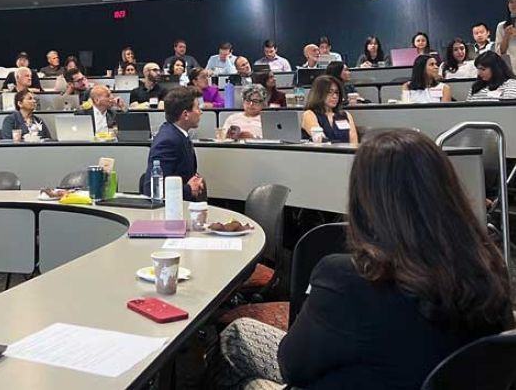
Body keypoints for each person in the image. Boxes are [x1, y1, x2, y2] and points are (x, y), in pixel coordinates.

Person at [215, 129, 513, 390]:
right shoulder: (489, 268)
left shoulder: (346, 277)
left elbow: (292, 366)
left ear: (364, 198)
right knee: (241, 331)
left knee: (242, 364)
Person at [142, 87, 205, 201]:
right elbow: (153, 189)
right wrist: (188, 189)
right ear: (185, 114)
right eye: (197, 108)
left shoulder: (179, 134)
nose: (200, 112)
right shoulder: (168, 141)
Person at [301, 75, 358, 144]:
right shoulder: (309, 114)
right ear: (319, 93)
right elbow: (321, 141)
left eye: (336, 93)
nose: (335, 96)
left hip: (347, 153)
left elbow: (354, 143)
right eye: (330, 92)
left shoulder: (346, 115)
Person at [494, 0, 516, 68]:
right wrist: (506, 36)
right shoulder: (501, 26)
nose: (514, 5)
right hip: (509, 69)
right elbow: (500, 52)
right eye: (511, 2)